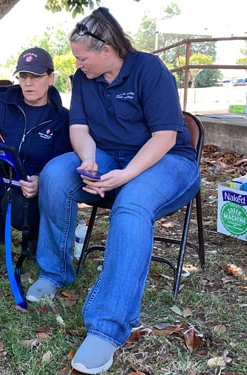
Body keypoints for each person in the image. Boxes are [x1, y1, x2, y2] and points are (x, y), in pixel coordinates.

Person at [26, 8, 201, 374]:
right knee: (57, 174)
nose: (77, 63)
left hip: (167, 160)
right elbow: (80, 129)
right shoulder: (85, 78)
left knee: (132, 204)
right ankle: (55, 272)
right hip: (108, 155)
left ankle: (108, 328)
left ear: (106, 49)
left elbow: (166, 136)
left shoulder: (149, 69)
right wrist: (89, 160)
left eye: (81, 56)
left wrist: (124, 177)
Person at [0, 47, 71, 275]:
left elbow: (65, 163)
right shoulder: (0, 104)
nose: (28, 83)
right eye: (23, 76)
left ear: (51, 78)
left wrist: (42, 182)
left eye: (36, 76)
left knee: (28, 213)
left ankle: (42, 235)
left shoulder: (62, 118)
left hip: (32, 192)